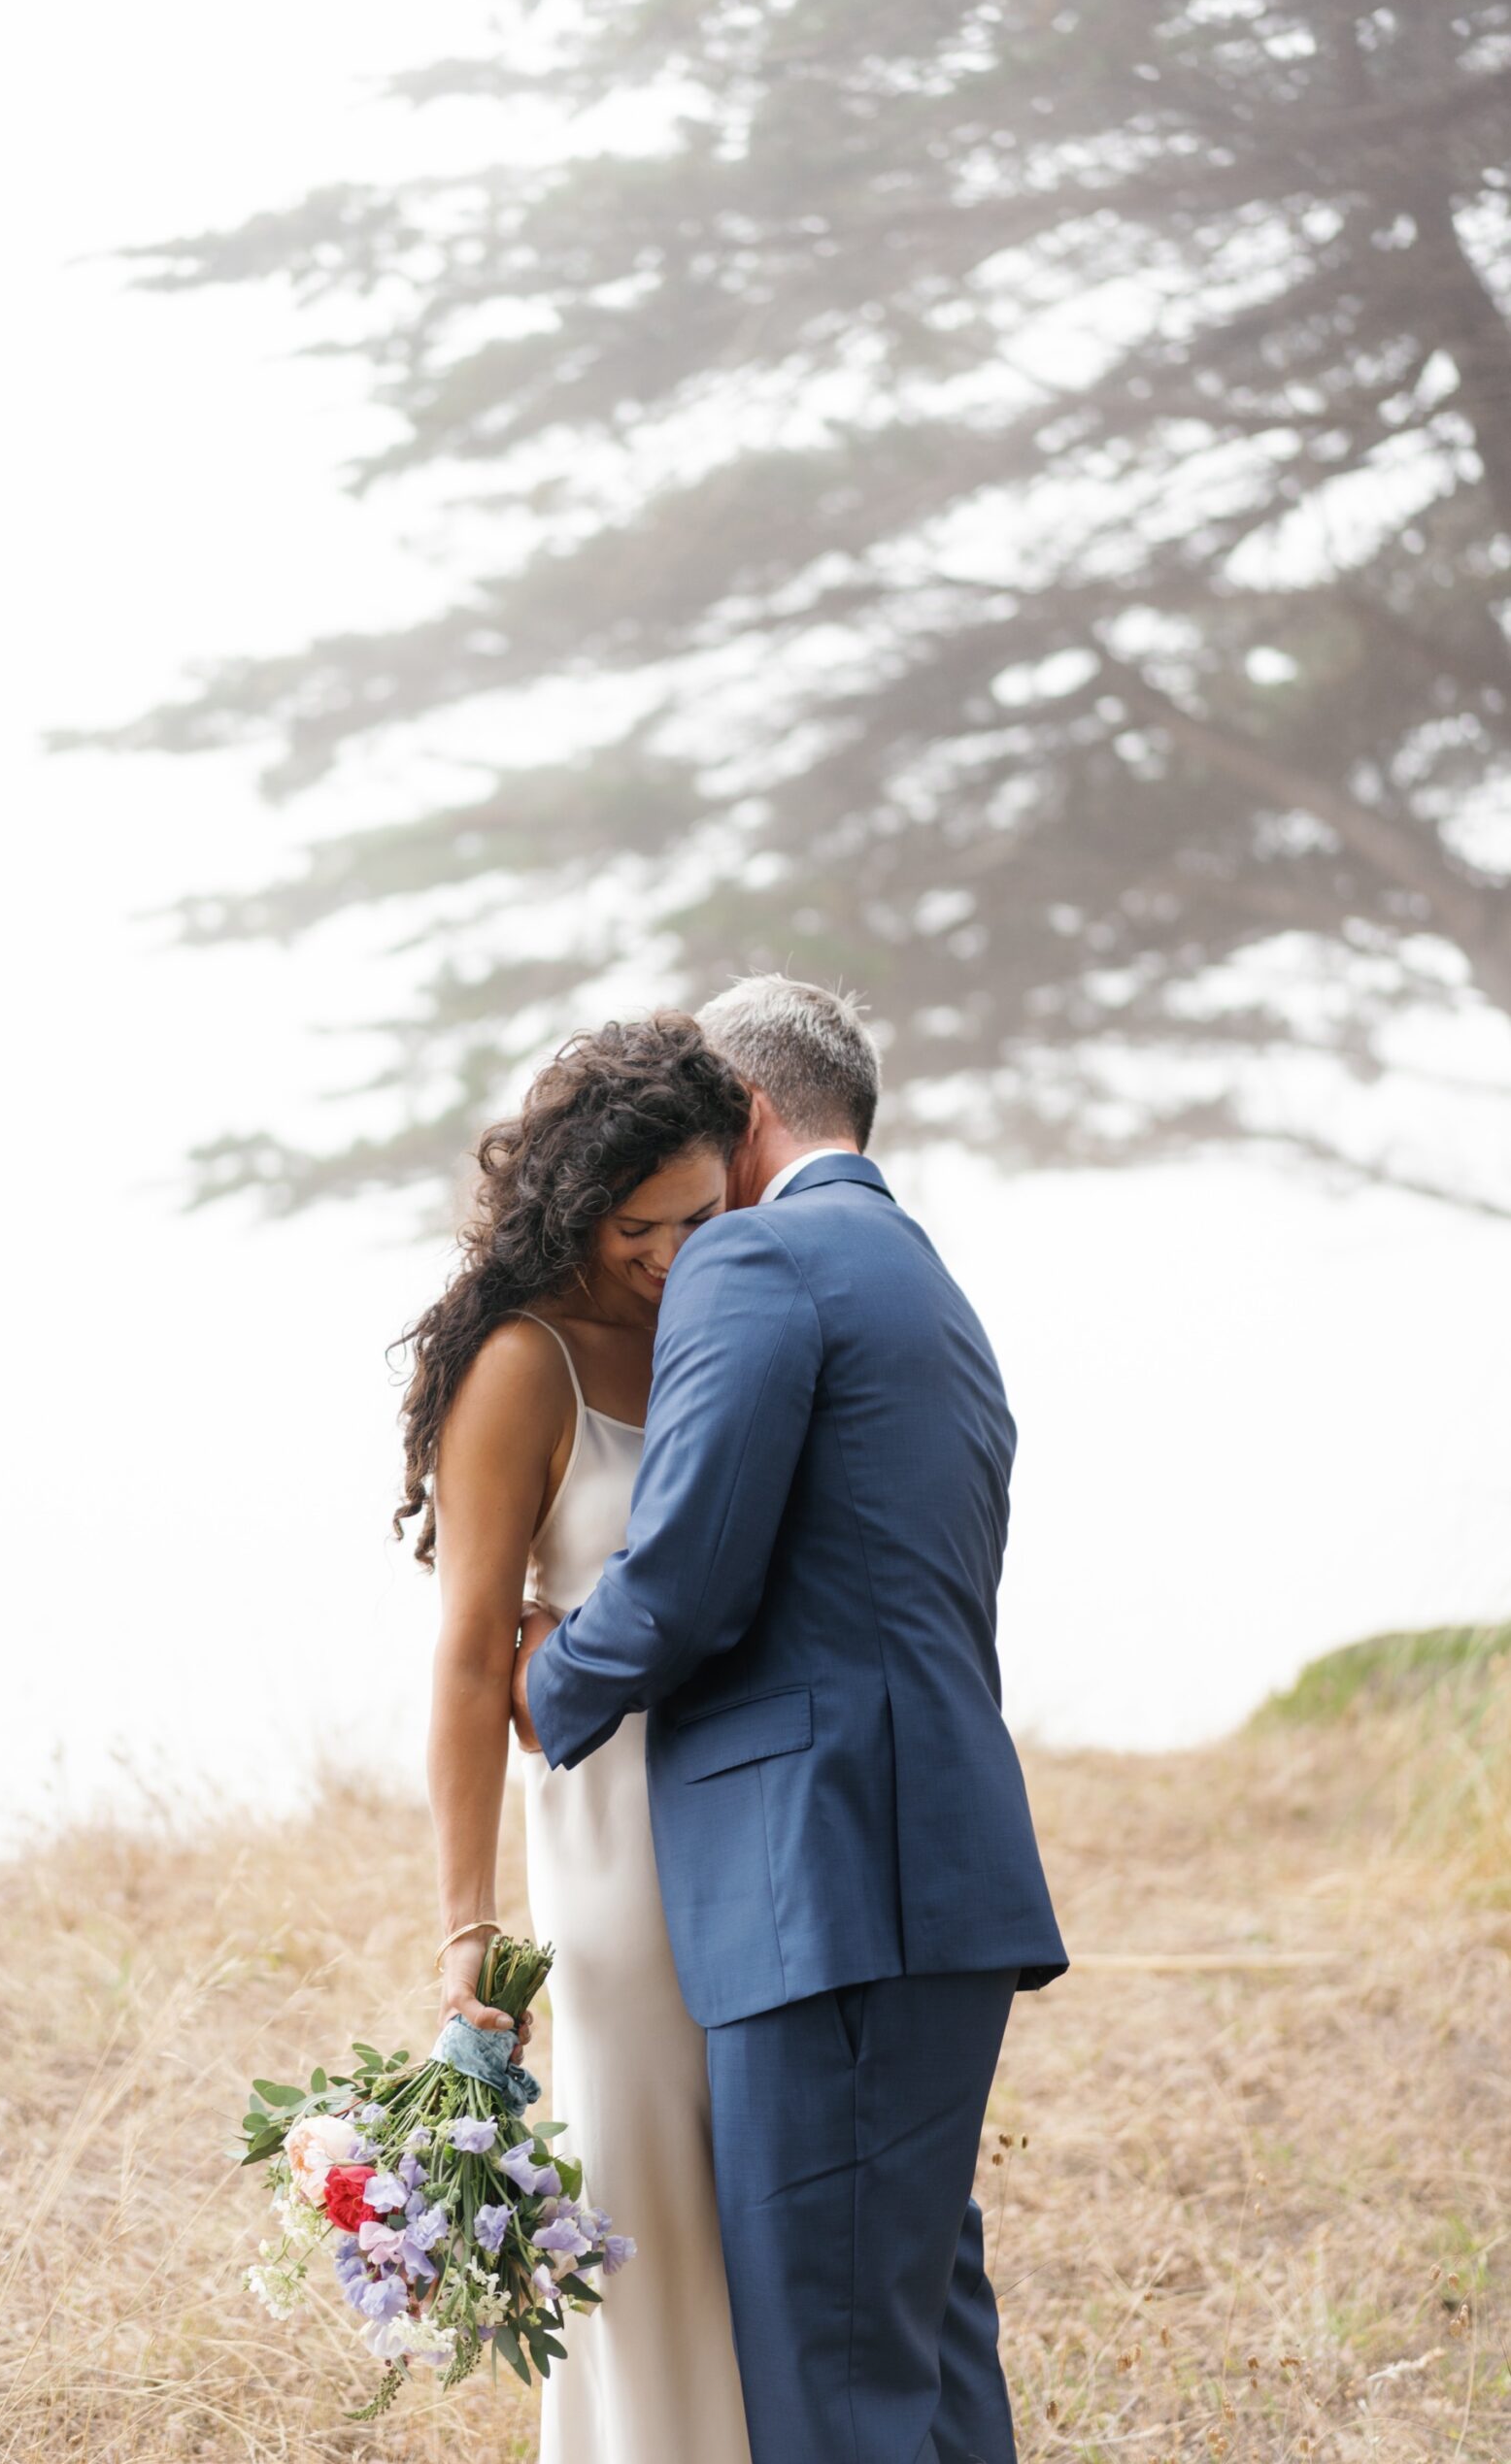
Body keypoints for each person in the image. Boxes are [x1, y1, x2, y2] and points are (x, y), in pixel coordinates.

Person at [513, 974, 1069, 2464]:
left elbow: (687, 1571)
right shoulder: (925, 1284)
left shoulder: (754, 1256)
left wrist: (543, 1678)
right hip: (932, 1880)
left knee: (825, 2390)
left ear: (746, 1114)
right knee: (922, 2354)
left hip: (821, 1885)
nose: (674, 1212)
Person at [397, 1011, 755, 2464]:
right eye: (639, 1227)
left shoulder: (726, 1306)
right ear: (571, 1204)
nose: (674, 1251)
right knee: (646, 2182)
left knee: (748, 2191)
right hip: (614, 1829)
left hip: (756, 1797)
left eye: (701, 1214)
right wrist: (464, 1932)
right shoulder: (522, 1364)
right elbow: (475, 1653)